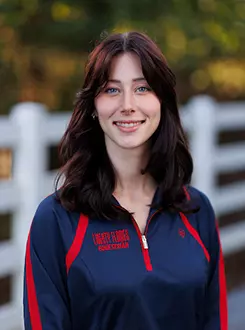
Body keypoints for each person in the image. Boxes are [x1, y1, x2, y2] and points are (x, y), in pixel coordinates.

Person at [23, 31, 228, 330]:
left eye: (143, 88)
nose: (128, 104)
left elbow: (215, 320)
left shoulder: (195, 211)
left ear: (163, 102)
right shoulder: (57, 220)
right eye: (112, 90)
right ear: (94, 106)